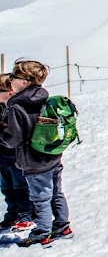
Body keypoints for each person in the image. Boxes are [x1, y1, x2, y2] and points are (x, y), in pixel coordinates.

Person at [0, 60, 73, 247]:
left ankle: (42, 233)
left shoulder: (18, 107)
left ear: (24, 82)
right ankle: (62, 226)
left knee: (40, 198)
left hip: (33, 162)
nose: (11, 81)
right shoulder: (44, 99)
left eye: (14, 78)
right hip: (52, 157)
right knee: (56, 192)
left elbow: (12, 139)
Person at [0, 73, 34, 232]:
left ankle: (26, 215)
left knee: (20, 186)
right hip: (2, 156)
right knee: (6, 187)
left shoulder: (16, 109)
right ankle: (12, 214)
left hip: (15, 156)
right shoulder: (3, 108)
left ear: (10, 91)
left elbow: (16, 133)